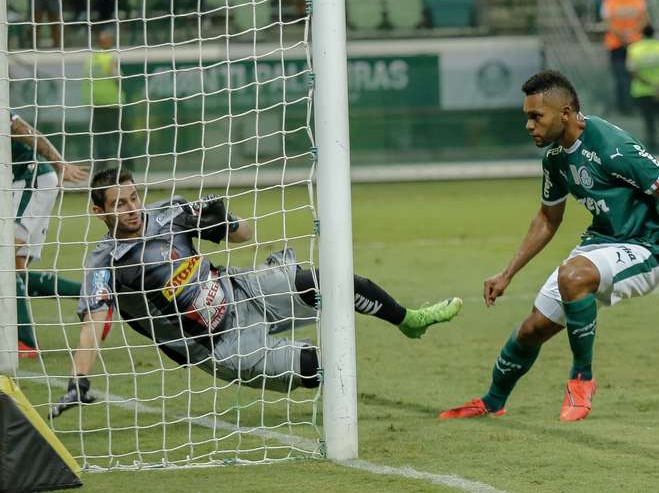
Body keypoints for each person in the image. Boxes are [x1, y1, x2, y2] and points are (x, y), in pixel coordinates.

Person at [50, 168, 462, 417]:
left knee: (334, 281)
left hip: (242, 290)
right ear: (99, 211)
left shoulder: (168, 215)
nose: (132, 208)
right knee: (322, 367)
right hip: (222, 347)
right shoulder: (105, 263)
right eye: (119, 204)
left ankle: (410, 321)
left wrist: (222, 220)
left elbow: (246, 235)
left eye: (134, 197)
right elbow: (95, 320)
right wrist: (78, 379)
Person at [440, 70, 659, 422]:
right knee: (532, 330)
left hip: (644, 248)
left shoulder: (613, 148)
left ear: (566, 113)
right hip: (601, 242)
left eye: (536, 116)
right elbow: (547, 218)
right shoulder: (555, 159)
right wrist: (508, 272)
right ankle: (493, 401)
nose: (529, 125)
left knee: (572, 276)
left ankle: (581, 380)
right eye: (527, 116)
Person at [10, 112, 89, 357]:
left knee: (4, 262)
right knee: (15, 266)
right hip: (22, 183)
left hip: (31, 179)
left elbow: (23, 129)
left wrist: (59, 163)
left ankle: (24, 342)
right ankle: (91, 295)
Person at [601, 0, 648, 115]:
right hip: (636, 44)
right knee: (637, 75)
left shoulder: (608, 2)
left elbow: (607, 23)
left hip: (616, 44)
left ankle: (624, 108)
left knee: (620, 77)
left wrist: (621, 36)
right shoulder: (638, 0)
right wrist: (632, 33)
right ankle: (639, 106)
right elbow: (644, 20)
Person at [82, 29, 127, 171]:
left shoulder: (90, 59)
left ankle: (101, 169)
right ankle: (126, 168)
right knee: (119, 138)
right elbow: (118, 76)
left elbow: (86, 82)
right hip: (113, 104)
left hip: (97, 104)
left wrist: (88, 101)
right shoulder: (110, 57)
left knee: (101, 139)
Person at [626, 24, 659, 150]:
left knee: (650, 122)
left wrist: (651, 86)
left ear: (642, 34)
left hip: (643, 92)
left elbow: (633, 72)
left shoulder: (634, 48)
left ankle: (652, 149)